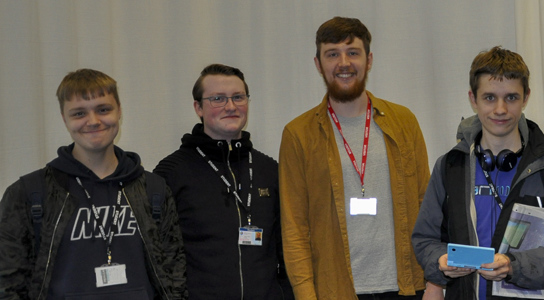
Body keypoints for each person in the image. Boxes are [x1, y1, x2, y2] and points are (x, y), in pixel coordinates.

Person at [0, 69, 186, 299]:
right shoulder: (30, 193)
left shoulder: (153, 189)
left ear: (119, 111)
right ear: (64, 118)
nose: (93, 121)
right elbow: (8, 283)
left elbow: (175, 276)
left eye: (103, 109)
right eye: (79, 113)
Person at [279, 16, 430, 300]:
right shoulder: (299, 134)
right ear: (318, 64)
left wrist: (434, 283)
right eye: (332, 54)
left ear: (369, 60)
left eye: (353, 53)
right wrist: (304, 294)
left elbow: (427, 207)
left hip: (407, 286)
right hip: (333, 289)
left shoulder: (403, 122)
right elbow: (294, 227)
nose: (344, 63)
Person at [411, 46, 544, 300]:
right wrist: (440, 262)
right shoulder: (450, 166)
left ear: (526, 97)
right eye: (489, 98)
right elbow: (424, 239)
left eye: (511, 97)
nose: (500, 109)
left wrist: (513, 266)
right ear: (473, 98)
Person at [154, 64, 293, 299]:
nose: (230, 106)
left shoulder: (269, 170)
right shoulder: (172, 172)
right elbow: (158, 254)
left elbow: (286, 247)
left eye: (238, 97)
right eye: (217, 99)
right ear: (198, 107)